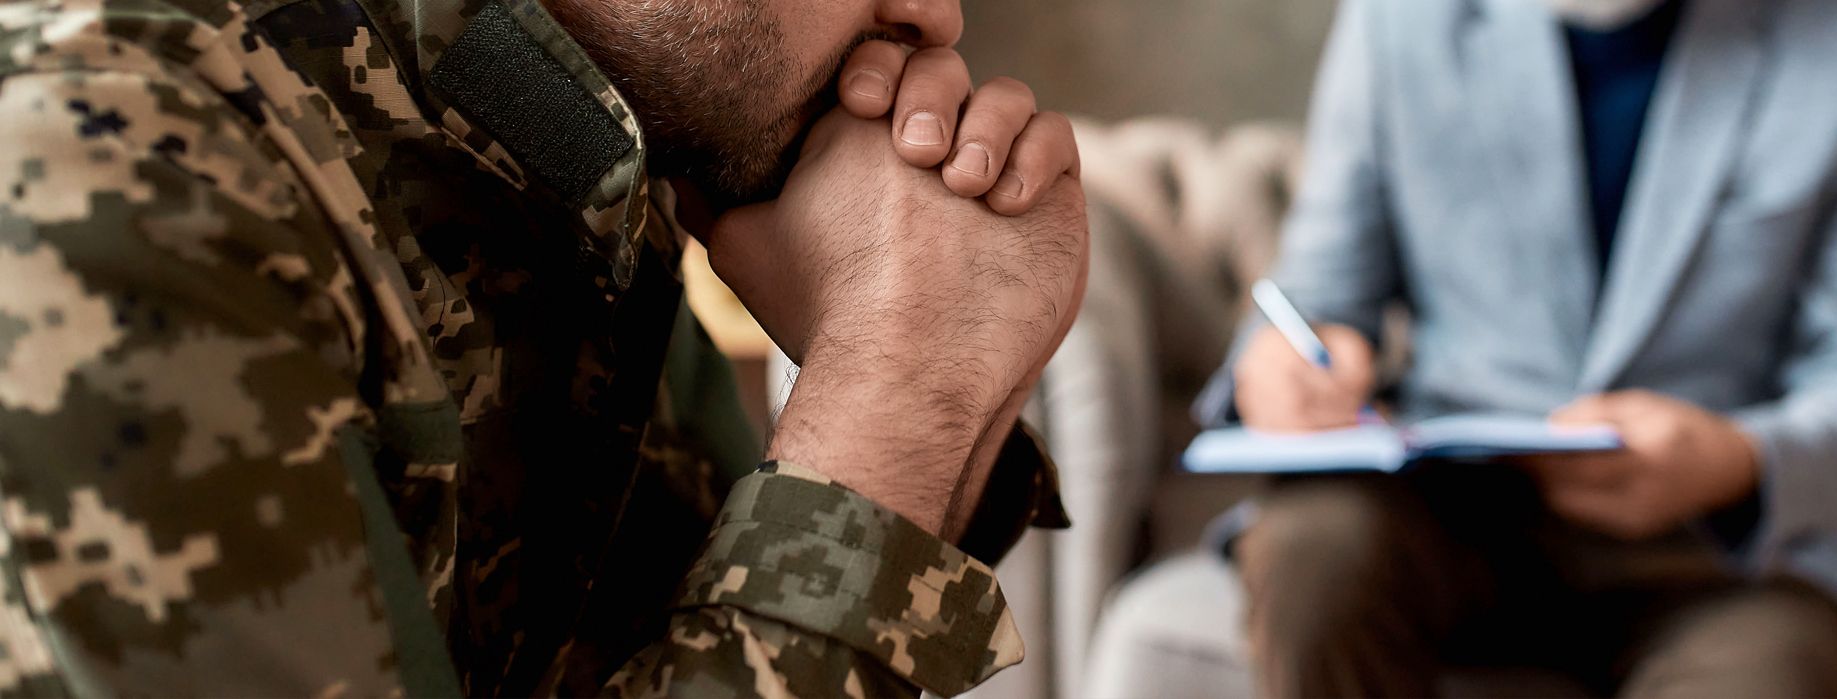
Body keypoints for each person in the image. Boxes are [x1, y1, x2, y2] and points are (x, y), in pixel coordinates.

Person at [0, 0, 1090, 693]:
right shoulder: (103, 172)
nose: (932, 17)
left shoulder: (570, 143)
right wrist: (895, 385)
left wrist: (935, 368)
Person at [1101, 0, 1837, 696]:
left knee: (1775, 664)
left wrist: (1739, 459)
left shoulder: (1825, 42)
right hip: (1449, 508)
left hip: (1712, 550)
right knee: (1315, 547)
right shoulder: (1400, 20)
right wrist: (1283, 366)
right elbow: (1319, 292)